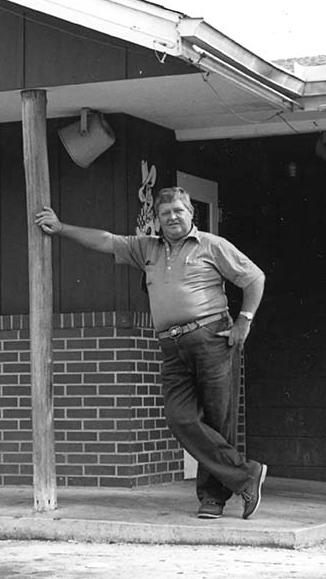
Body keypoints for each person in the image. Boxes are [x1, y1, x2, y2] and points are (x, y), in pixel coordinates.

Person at [35, 186, 268, 520]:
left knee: (218, 421)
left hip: (211, 339)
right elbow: (106, 240)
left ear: (191, 213)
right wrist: (61, 228)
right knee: (180, 418)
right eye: (165, 213)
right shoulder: (146, 248)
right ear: (156, 220)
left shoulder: (213, 246)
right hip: (171, 346)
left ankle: (213, 499)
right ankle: (247, 474)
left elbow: (254, 278)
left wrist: (244, 320)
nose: (172, 217)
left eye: (178, 210)